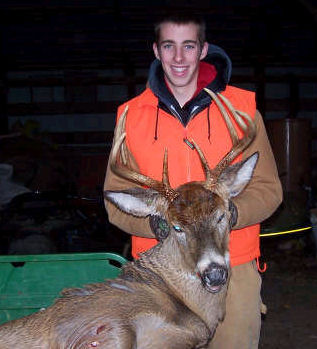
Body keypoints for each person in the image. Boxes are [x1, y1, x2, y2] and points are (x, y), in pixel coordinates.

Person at [104, 13, 282, 348]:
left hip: (232, 267)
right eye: (169, 46)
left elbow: (269, 190)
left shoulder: (241, 111)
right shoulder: (132, 116)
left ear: (203, 50)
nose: (179, 58)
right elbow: (115, 201)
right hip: (159, 275)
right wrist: (159, 228)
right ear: (156, 51)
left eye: (188, 46)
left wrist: (230, 216)